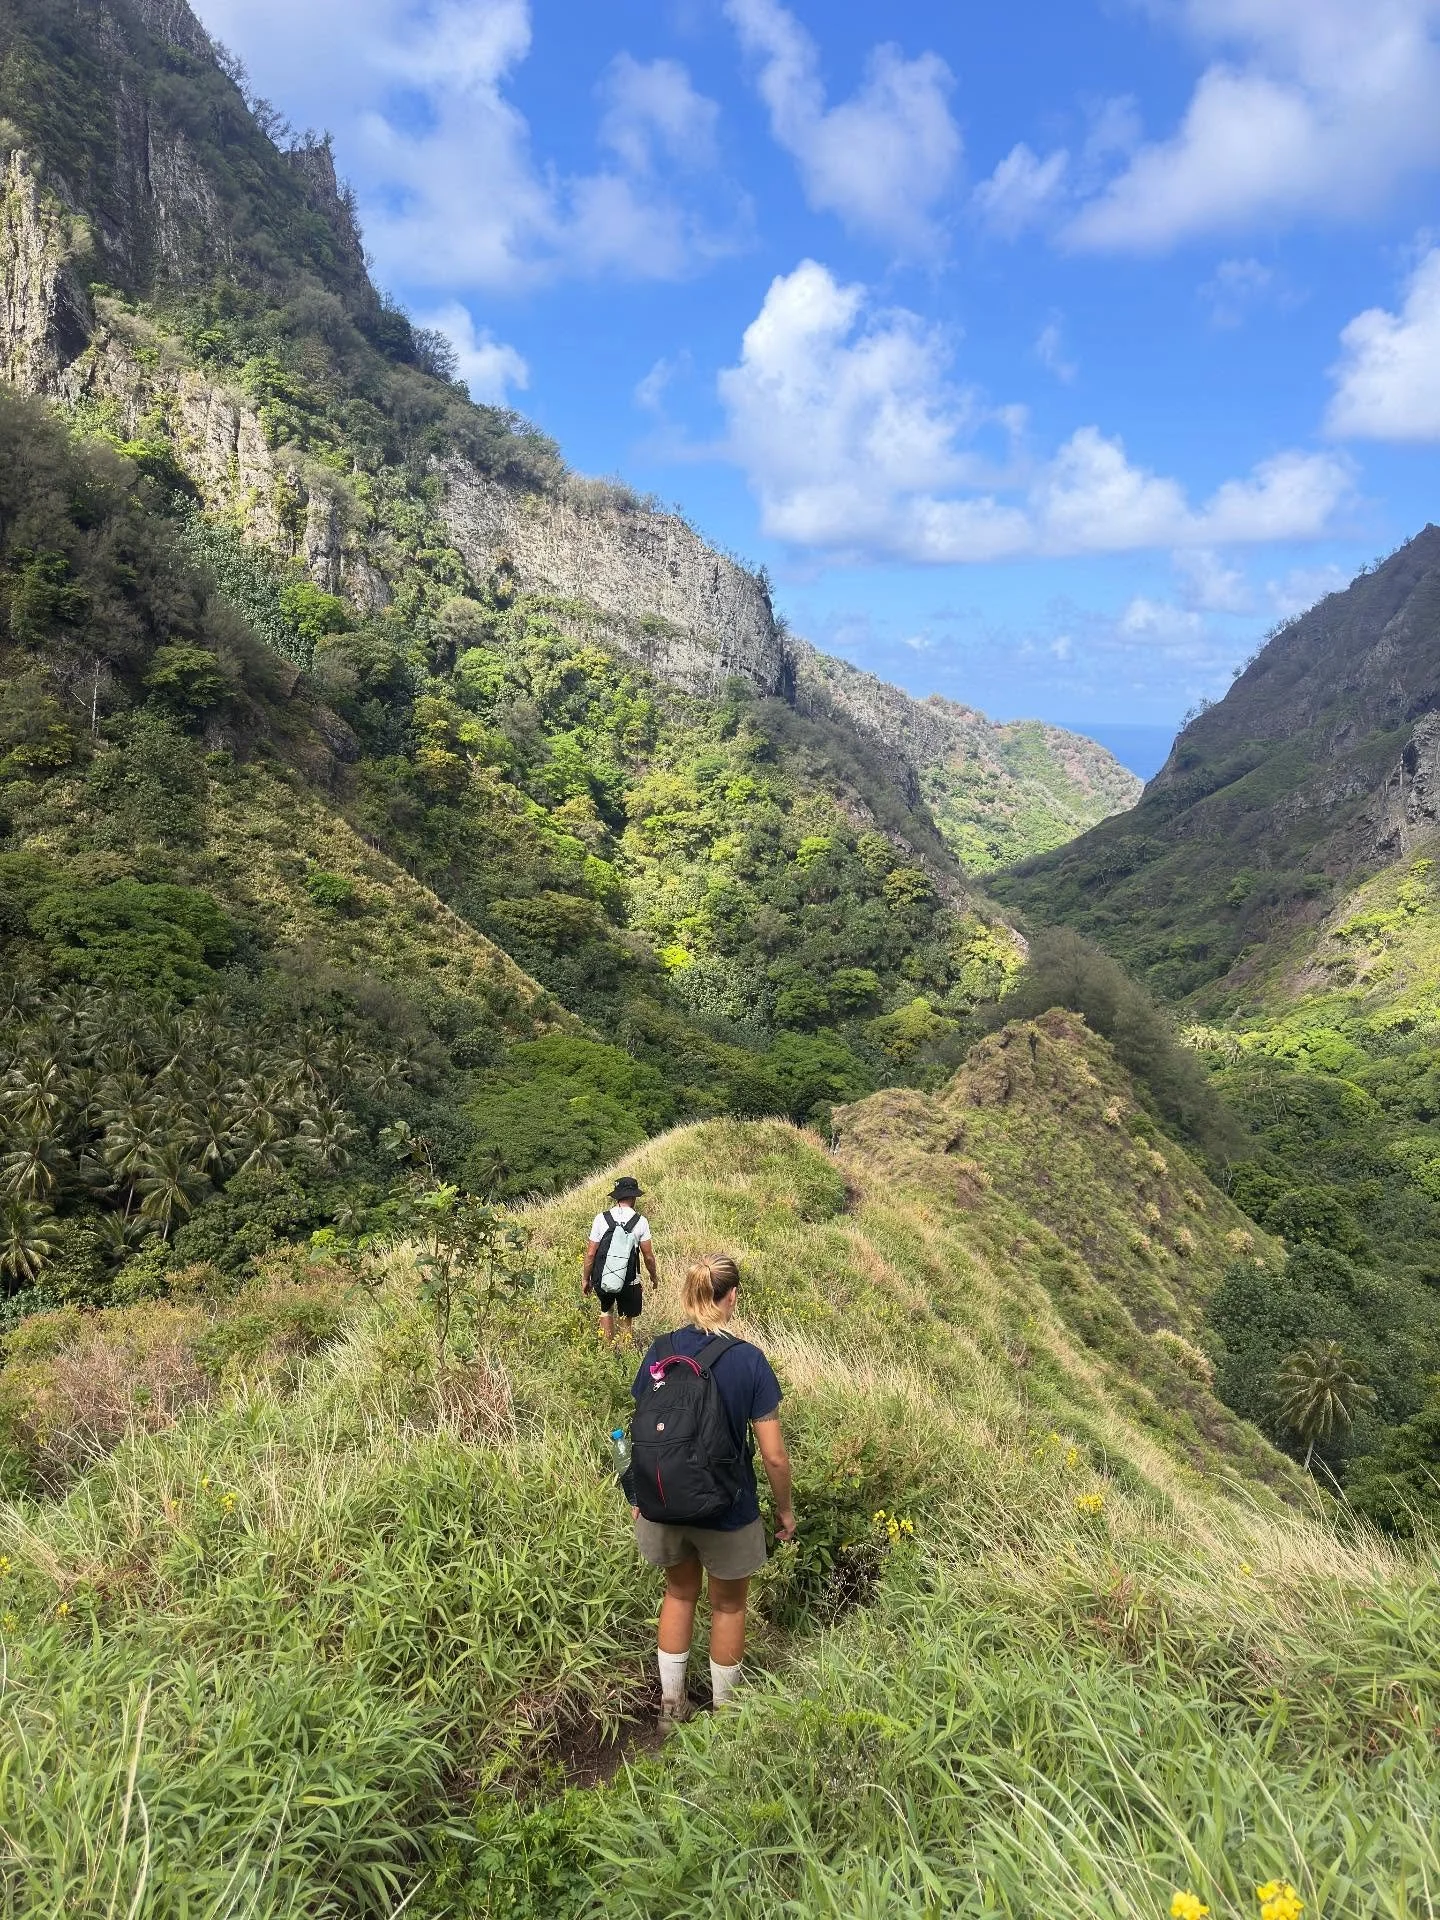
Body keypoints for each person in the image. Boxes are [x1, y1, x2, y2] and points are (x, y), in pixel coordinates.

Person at [629, 1254, 797, 1722]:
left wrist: (638, 1497)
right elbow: (774, 1455)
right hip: (728, 1506)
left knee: (678, 1594)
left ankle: (670, 1707)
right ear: (731, 1297)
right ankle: (724, 1719)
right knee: (728, 1606)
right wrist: (785, 1511)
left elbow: (643, 1428)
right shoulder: (748, 1360)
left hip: (663, 1502)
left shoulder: (659, 1350)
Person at [583, 1175, 658, 1345]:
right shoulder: (641, 1222)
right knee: (626, 1316)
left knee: (606, 1310)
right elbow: (648, 1256)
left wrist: (585, 1278)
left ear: (616, 1197)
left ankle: (608, 1351)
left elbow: (590, 1254)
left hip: (603, 1277)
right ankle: (625, 1351)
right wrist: (654, 1276)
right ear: (634, 1198)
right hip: (630, 1280)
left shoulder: (601, 1219)